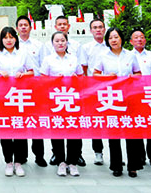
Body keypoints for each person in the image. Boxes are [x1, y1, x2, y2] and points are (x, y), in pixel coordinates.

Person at [90, 27, 143, 178]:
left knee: (131, 132)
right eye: (111, 38)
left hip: (129, 96)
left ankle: (133, 166)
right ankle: (116, 165)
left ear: (121, 39)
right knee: (114, 133)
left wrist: (132, 77)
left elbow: (138, 73)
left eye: (116, 37)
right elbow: (95, 75)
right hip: (111, 98)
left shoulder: (130, 55)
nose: (113, 40)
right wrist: (107, 77)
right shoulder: (103, 56)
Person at [0, 26, 35, 177]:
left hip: (20, 97)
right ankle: (8, 161)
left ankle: (19, 162)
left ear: (15, 39)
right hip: (3, 96)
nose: (8, 40)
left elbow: (32, 72)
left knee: (19, 128)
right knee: (6, 129)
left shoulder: (23, 54)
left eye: (11, 37)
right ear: (1, 40)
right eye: (5, 37)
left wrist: (23, 74)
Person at [39, 31, 83, 177]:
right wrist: (53, 80)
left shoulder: (74, 59)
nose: (60, 43)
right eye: (57, 41)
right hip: (56, 100)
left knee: (73, 130)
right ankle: (61, 162)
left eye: (63, 40)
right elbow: (42, 79)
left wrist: (76, 78)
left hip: (72, 100)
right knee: (57, 130)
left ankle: (73, 162)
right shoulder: (48, 60)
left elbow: (81, 78)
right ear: (52, 43)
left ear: (67, 42)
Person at [16, 15, 46, 167]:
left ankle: (39, 156)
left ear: (30, 27)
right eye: (20, 25)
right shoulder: (13, 45)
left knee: (36, 122)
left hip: (36, 87)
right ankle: (21, 156)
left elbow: (43, 65)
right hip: (18, 89)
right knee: (21, 122)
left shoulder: (39, 45)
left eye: (25, 25)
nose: (23, 27)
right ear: (16, 28)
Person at [130, 28, 151, 167]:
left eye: (141, 37)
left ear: (145, 40)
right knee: (137, 125)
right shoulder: (127, 56)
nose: (139, 39)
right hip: (134, 94)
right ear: (131, 41)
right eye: (136, 37)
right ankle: (140, 156)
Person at [80, 18, 107, 165]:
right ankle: (98, 152)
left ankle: (116, 154)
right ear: (90, 30)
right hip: (94, 88)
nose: (98, 30)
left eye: (100, 27)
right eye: (95, 27)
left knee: (113, 121)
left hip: (112, 87)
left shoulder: (110, 44)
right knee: (96, 121)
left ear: (104, 29)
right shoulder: (86, 47)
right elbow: (84, 68)